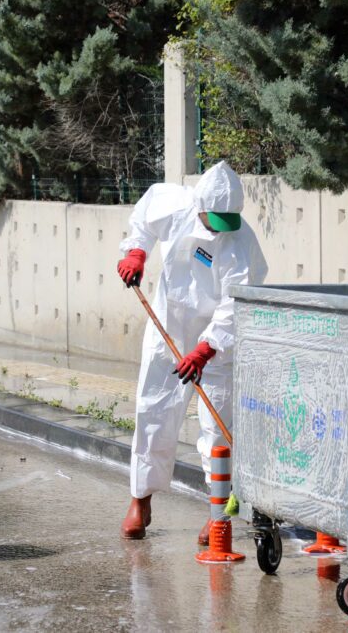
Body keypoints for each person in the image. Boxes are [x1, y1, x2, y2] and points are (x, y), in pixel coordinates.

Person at [116, 161, 267, 542]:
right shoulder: (175, 204)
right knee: (153, 410)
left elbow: (236, 304)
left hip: (215, 344)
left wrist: (207, 348)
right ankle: (141, 499)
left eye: (228, 218)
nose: (222, 224)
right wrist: (136, 252)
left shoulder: (241, 243)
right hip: (168, 327)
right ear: (199, 205)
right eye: (215, 217)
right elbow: (142, 220)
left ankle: (218, 513)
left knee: (217, 429)